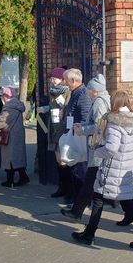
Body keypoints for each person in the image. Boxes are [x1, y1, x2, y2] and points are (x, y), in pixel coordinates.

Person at [71, 90, 133, 250]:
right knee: (127, 201)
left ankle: (89, 235)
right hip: (125, 167)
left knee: (98, 199)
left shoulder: (115, 123)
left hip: (112, 169)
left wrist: (96, 152)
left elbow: (111, 149)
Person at [61, 73, 110, 221]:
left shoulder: (99, 102)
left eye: (90, 89)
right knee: (92, 182)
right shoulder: (101, 100)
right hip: (98, 146)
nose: (88, 92)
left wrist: (82, 130)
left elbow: (98, 126)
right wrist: (82, 126)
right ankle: (77, 212)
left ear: (95, 90)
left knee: (90, 182)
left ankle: (77, 213)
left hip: (97, 147)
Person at [36, 67, 71, 199]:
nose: (52, 80)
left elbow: (67, 107)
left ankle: (67, 188)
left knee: (64, 159)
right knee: (58, 159)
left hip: (62, 127)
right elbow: (52, 107)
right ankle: (62, 186)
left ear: (62, 79)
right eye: (52, 78)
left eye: (55, 78)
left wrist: (63, 110)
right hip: (53, 126)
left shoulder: (66, 91)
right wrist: (44, 109)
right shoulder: (53, 91)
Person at [61, 68, 92, 204]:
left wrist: (80, 129)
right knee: (74, 167)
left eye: (67, 81)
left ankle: (82, 199)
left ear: (73, 80)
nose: (65, 83)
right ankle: (77, 198)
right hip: (74, 134)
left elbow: (85, 116)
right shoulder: (75, 92)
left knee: (80, 169)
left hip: (79, 137)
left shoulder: (83, 94)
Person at [0, 87, 29, 187]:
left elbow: (2, 122)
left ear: (6, 96)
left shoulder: (8, 107)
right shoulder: (18, 105)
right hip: (18, 134)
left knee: (9, 158)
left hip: (9, 135)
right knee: (18, 157)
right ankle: (23, 177)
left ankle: (10, 180)